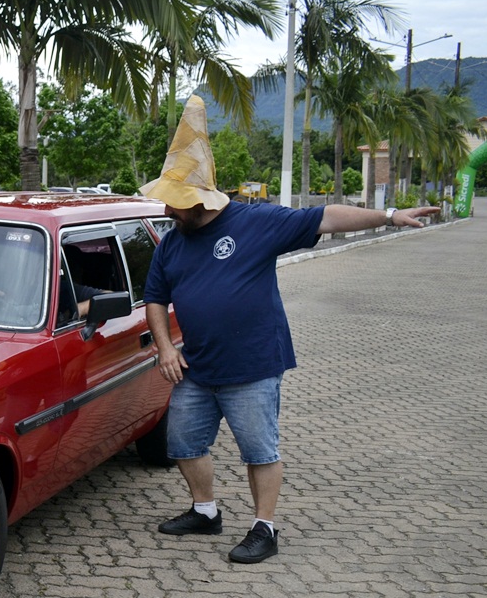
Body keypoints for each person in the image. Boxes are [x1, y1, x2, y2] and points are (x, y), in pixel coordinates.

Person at [139, 96, 439, 563]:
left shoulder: (256, 221)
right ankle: (205, 511)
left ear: (198, 198)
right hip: (196, 366)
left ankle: (265, 528)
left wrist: (388, 216)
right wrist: (165, 347)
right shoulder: (172, 244)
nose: (167, 211)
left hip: (254, 366)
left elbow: (325, 217)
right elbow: (155, 297)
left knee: (258, 450)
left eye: (175, 203)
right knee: (182, 443)